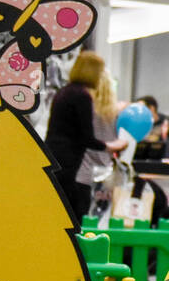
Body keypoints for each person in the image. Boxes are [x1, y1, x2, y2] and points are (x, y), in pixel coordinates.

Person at [46, 52, 129, 221]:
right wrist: (112, 146)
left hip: (54, 157)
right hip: (71, 165)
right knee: (76, 215)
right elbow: (87, 137)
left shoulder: (62, 93)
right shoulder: (82, 96)